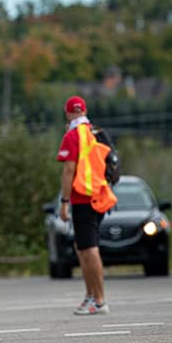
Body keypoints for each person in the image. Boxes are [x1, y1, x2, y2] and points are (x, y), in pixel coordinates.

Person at [56, 95, 117, 315]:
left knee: (89, 249)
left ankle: (99, 300)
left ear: (68, 113)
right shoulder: (96, 133)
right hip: (100, 196)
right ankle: (91, 296)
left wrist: (64, 201)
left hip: (82, 197)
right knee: (83, 248)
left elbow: (69, 170)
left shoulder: (73, 136)